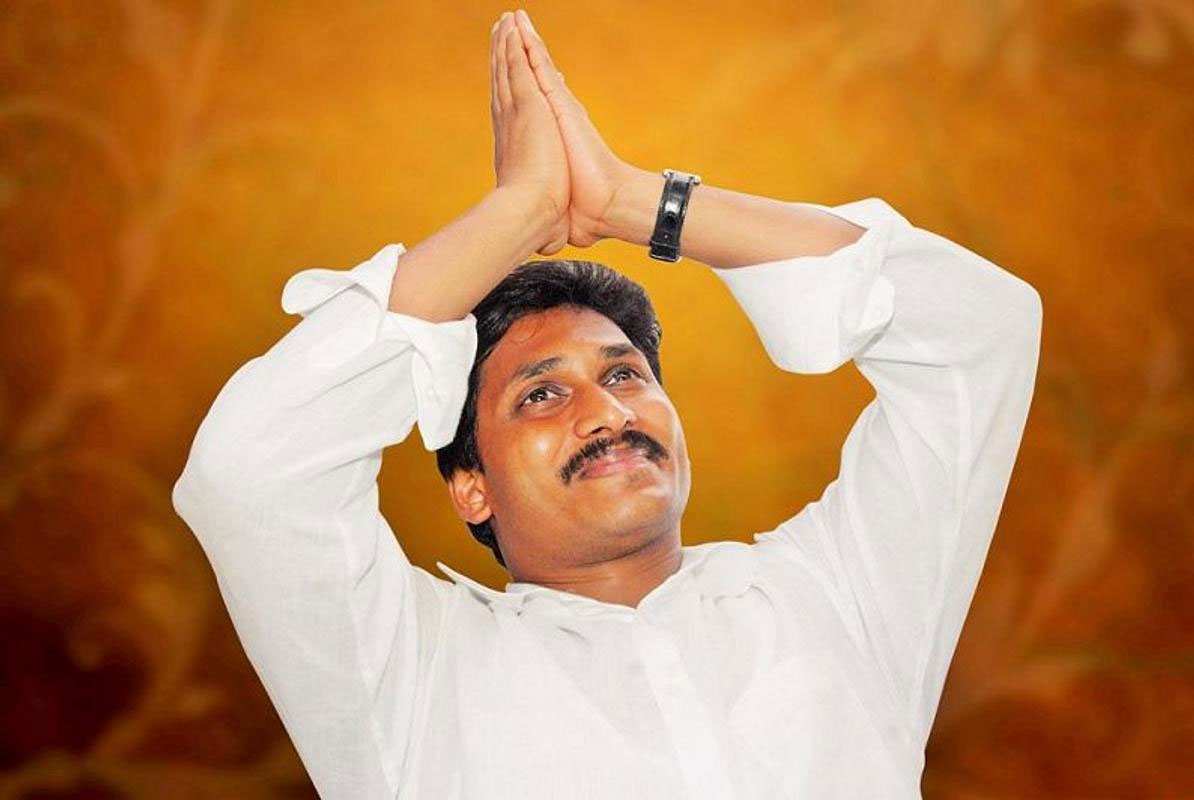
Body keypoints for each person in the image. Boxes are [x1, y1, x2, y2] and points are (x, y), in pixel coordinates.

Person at [172, 9, 1042, 799]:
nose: (606, 412)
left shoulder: (835, 593)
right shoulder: (414, 680)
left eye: (625, 375)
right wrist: (521, 212)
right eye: (541, 394)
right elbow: (250, 475)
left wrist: (634, 203)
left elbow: (980, 330)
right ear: (471, 486)